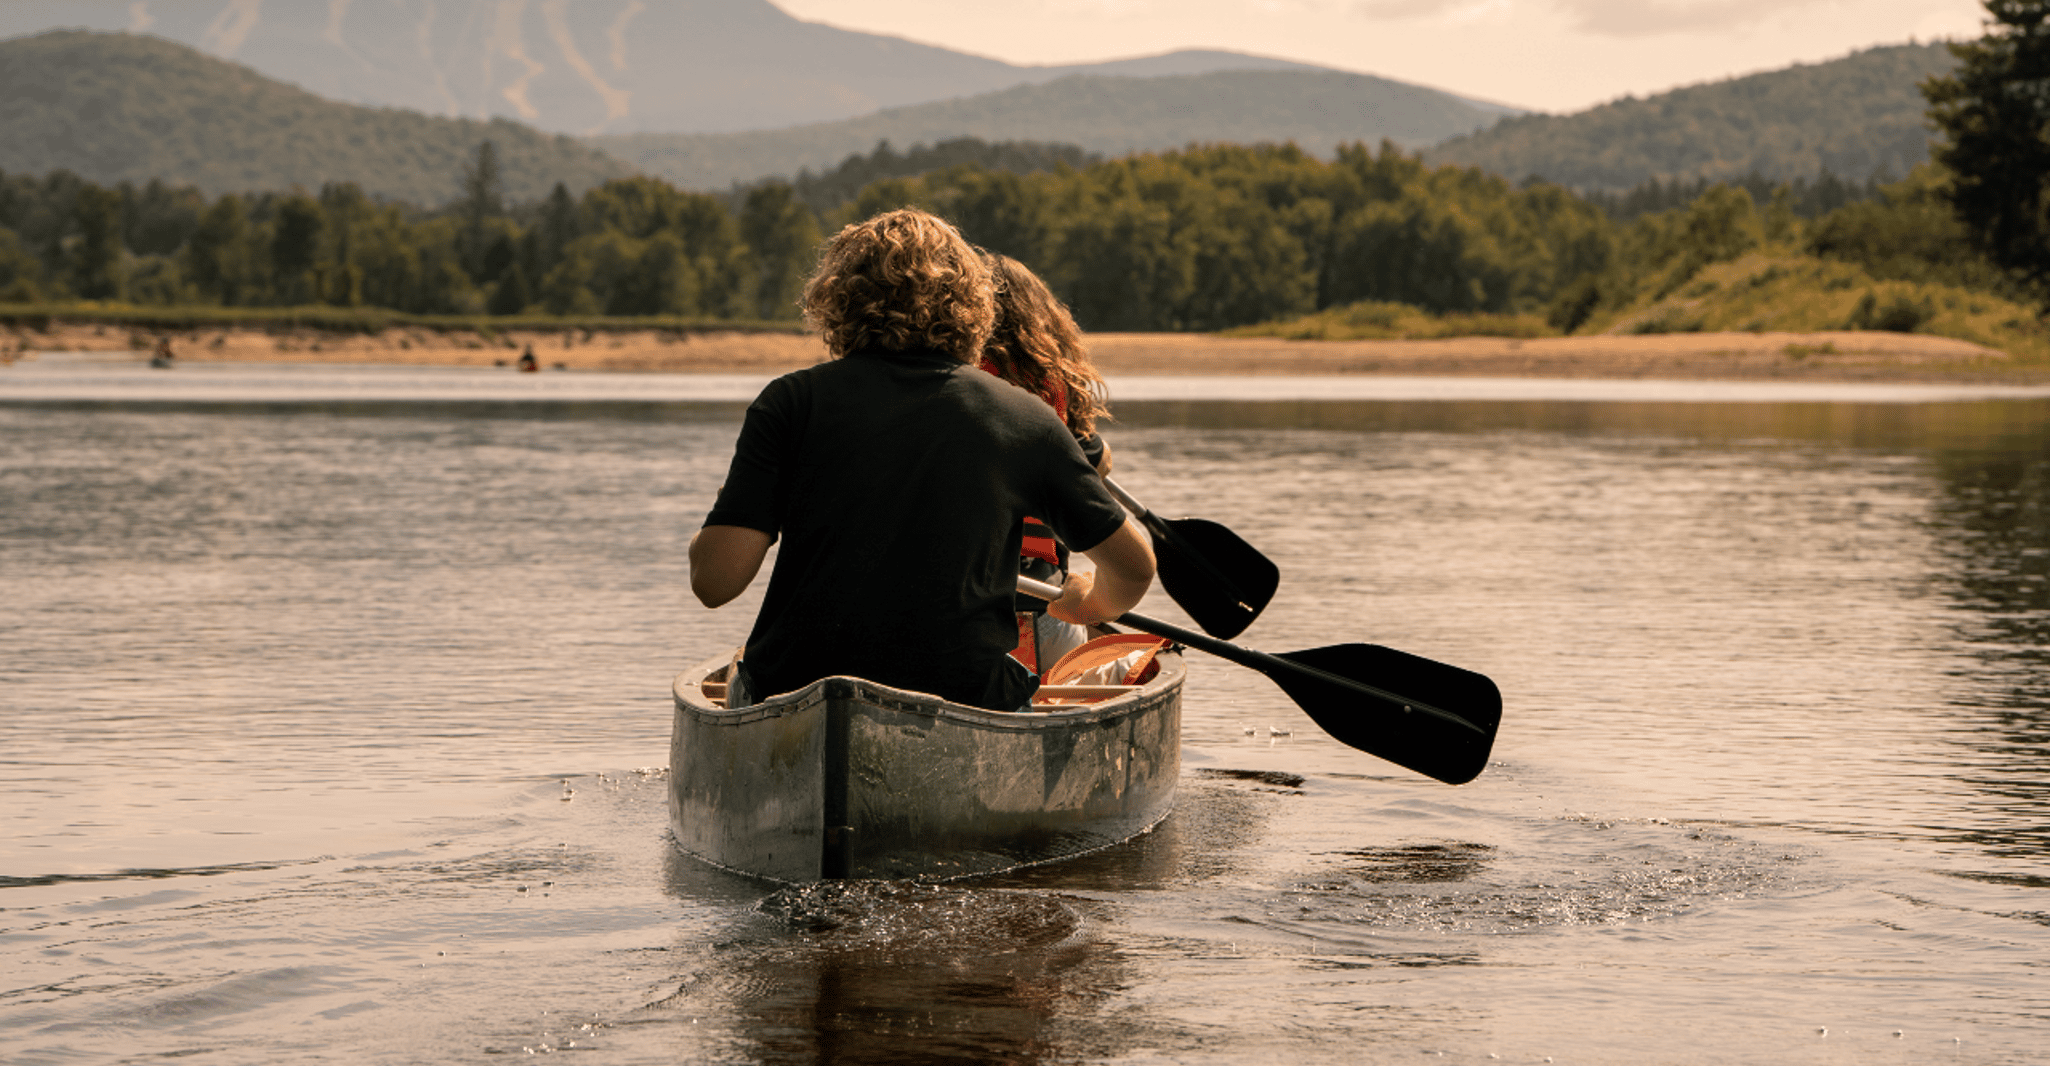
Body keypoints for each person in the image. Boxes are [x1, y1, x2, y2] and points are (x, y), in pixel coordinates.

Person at [689, 209, 1155, 712]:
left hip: (798, 685)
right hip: (966, 695)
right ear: (973, 305)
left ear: (836, 299)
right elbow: (1134, 569)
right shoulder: (1026, 417)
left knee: (748, 671)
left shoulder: (788, 403)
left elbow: (714, 584)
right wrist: (1086, 603)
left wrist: (723, 513)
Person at [977, 253, 1114, 673]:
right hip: (1043, 610)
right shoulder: (1057, 387)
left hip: (960, 616)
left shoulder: (955, 385)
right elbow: (1100, 463)